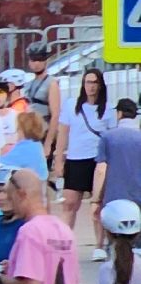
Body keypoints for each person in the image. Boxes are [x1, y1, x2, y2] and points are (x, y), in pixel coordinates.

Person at [56, 68, 112, 231]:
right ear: (83, 84)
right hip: (75, 160)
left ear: (100, 85)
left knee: (98, 205)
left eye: (95, 82)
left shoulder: (108, 109)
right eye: (88, 82)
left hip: (97, 161)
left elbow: (111, 138)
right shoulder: (71, 105)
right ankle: (64, 241)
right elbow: (63, 134)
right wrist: (59, 160)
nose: (91, 86)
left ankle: (100, 246)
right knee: (69, 204)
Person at [92, 108, 141, 262]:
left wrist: (96, 198)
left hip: (114, 197)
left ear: (119, 114)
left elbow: (101, 169)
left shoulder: (108, 137)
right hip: (138, 197)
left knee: (115, 247)